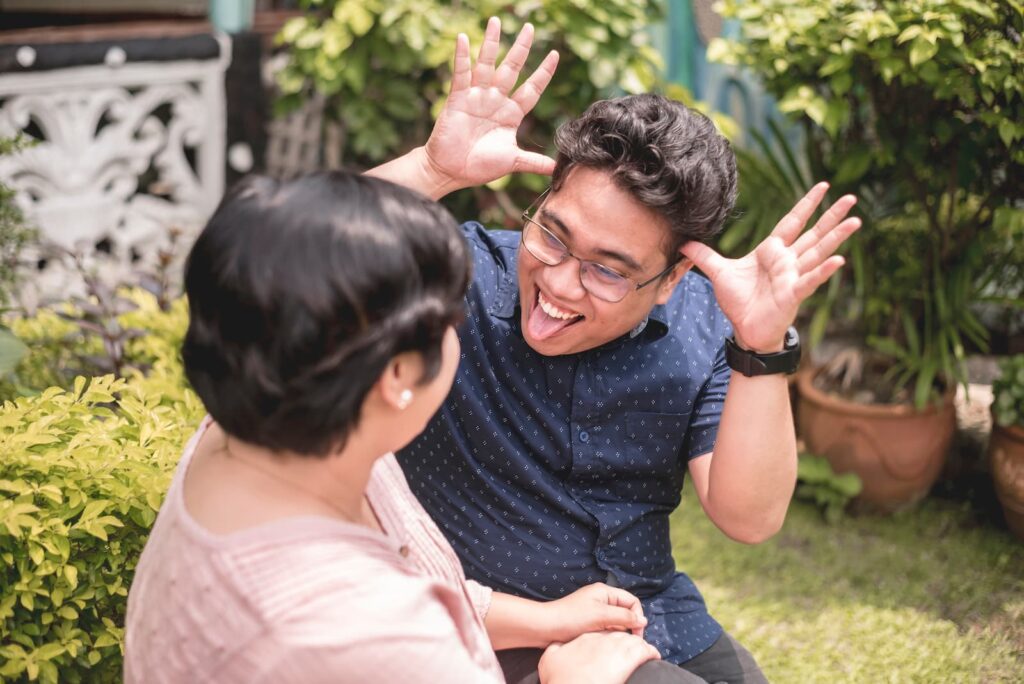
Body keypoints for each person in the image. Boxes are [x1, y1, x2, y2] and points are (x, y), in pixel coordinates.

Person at [371, 17, 862, 683]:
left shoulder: (706, 325)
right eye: (553, 234)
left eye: (607, 269)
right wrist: (430, 169)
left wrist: (761, 346)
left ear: (671, 280)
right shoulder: (459, 275)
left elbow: (749, 517)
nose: (559, 282)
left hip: (654, 622)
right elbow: (284, 263)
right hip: (483, 637)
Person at [123, 170, 680, 683]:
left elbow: (274, 265)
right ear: (396, 374)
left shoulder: (270, 428)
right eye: (449, 319)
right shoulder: (368, 630)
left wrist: (543, 621)